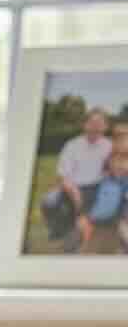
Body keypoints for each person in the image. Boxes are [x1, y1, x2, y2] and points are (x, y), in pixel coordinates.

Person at [42, 106, 110, 250]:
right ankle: (58, 229)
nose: (95, 127)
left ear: (105, 127)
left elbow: (113, 171)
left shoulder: (109, 146)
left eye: (99, 123)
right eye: (92, 123)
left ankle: (78, 233)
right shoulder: (72, 145)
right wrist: (74, 193)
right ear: (85, 125)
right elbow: (63, 176)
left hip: (97, 187)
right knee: (49, 200)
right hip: (72, 186)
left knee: (86, 216)